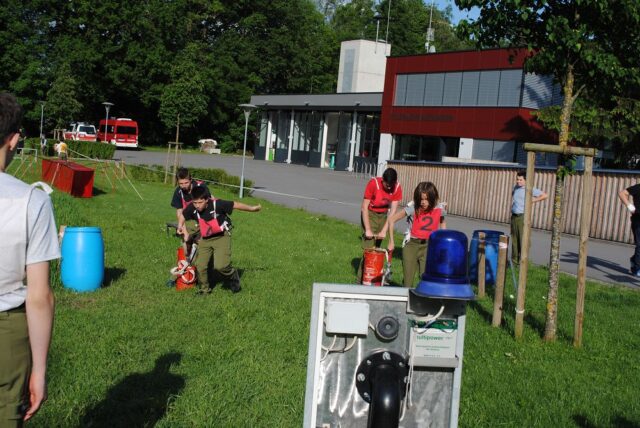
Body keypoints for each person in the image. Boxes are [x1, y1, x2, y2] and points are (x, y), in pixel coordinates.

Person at [0, 92, 59, 426]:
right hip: (7, 337)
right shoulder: (32, 202)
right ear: (14, 139)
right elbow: (39, 296)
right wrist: (39, 370)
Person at [177, 186, 261, 294]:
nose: (197, 205)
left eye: (200, 202)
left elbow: (235, 204)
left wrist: (253, 208)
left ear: (207, 199)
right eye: (195, 202)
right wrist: (180, 226)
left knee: (221, 266)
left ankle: (232, 276)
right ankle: (204, 290)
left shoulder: (217, 204)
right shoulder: (192, 207)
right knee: (200, 265)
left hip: (221, 236)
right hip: (205, 238)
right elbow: (183, 215)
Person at [389, 182, 446, 287]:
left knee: (427, 278)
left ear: (433, 198)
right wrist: (391, 241)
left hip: (429, 246)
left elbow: (442, 223)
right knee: (408, 281)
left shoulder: (439, 209)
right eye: (421, 199)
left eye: (426, 199)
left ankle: (424, 301)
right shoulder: (413, 208)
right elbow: (392, 220)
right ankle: (407, 298)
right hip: (412, 245)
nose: (423, 202)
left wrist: (442, 242)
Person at [357, 167, 403, 282]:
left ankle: (375, 277)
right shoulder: (373, 184)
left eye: (390, 186)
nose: (388, 188)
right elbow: (364, 208)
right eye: (387, 185)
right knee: (369, 248)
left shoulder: (397, 187)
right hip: (370, 213)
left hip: (383, 215)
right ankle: (361, 280)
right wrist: (367, 229)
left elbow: (392, 213)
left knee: (377, 249)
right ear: (382, 180)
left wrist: (383, 230)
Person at [511, 170, 548, 266]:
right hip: (514, 216)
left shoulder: (529, 189)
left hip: (522, 217)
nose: (518, 181)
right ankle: (514, 262)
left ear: (526, 180)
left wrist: (532, 201)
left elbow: (545, 195)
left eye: (520, 180)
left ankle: (522, 262)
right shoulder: (515, 187)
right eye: (517, 179)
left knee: (523, 240)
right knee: (514, 239)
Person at [618, 183, 640, 276]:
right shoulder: (638, 187)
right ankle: (637, 268)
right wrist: (630, 206)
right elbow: (622, 193)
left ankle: (634, 260)